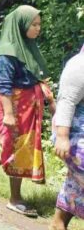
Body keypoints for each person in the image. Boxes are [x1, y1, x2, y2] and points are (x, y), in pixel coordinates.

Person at [0, 5, 54, 218]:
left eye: (39, 24)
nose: (38, 29)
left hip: (28, 106)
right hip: (14, 106)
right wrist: (9, 114)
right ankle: (15, 199)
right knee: (17, 149)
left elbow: (34, 75)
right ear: (20, 25)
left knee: (23, 149)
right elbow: (4, 84)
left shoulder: (27, 47)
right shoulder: (8, 51)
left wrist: (46, 94)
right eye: (34, 24)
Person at [51, 45, 84, 229]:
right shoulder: (80, 64)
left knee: (76, 185)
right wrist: (62, 137)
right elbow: (67, 101)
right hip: (74, 134)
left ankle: (58, 223)